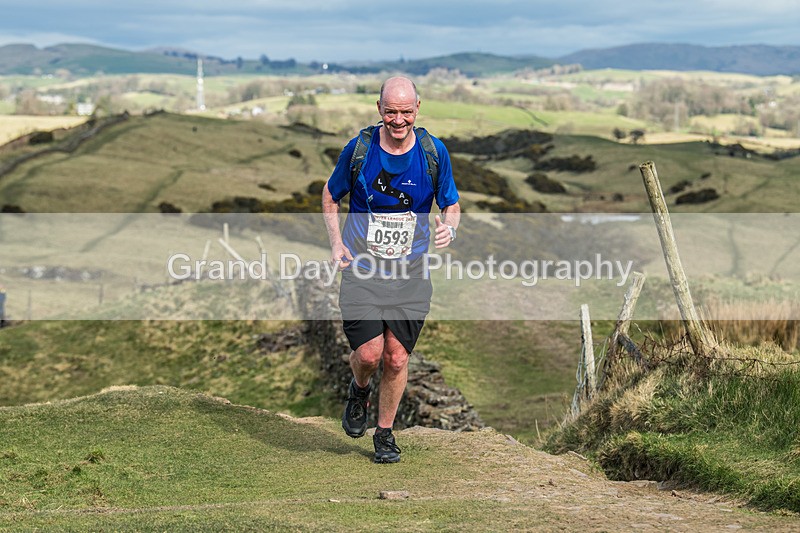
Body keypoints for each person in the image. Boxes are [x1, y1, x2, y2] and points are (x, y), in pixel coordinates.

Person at [322, 76, 460, 463]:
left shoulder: (433, 152)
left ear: (418, 109)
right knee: (369, 355)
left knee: (397, 358)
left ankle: (384, 434)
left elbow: (451, 202)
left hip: (411, 274)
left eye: (406, 112)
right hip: (362, 271)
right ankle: (359, 388)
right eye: (391, 112)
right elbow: (331, 195)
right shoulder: (360, 150)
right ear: (379, 109)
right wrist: (336, 243)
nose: (398, 120)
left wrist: (450, 226)